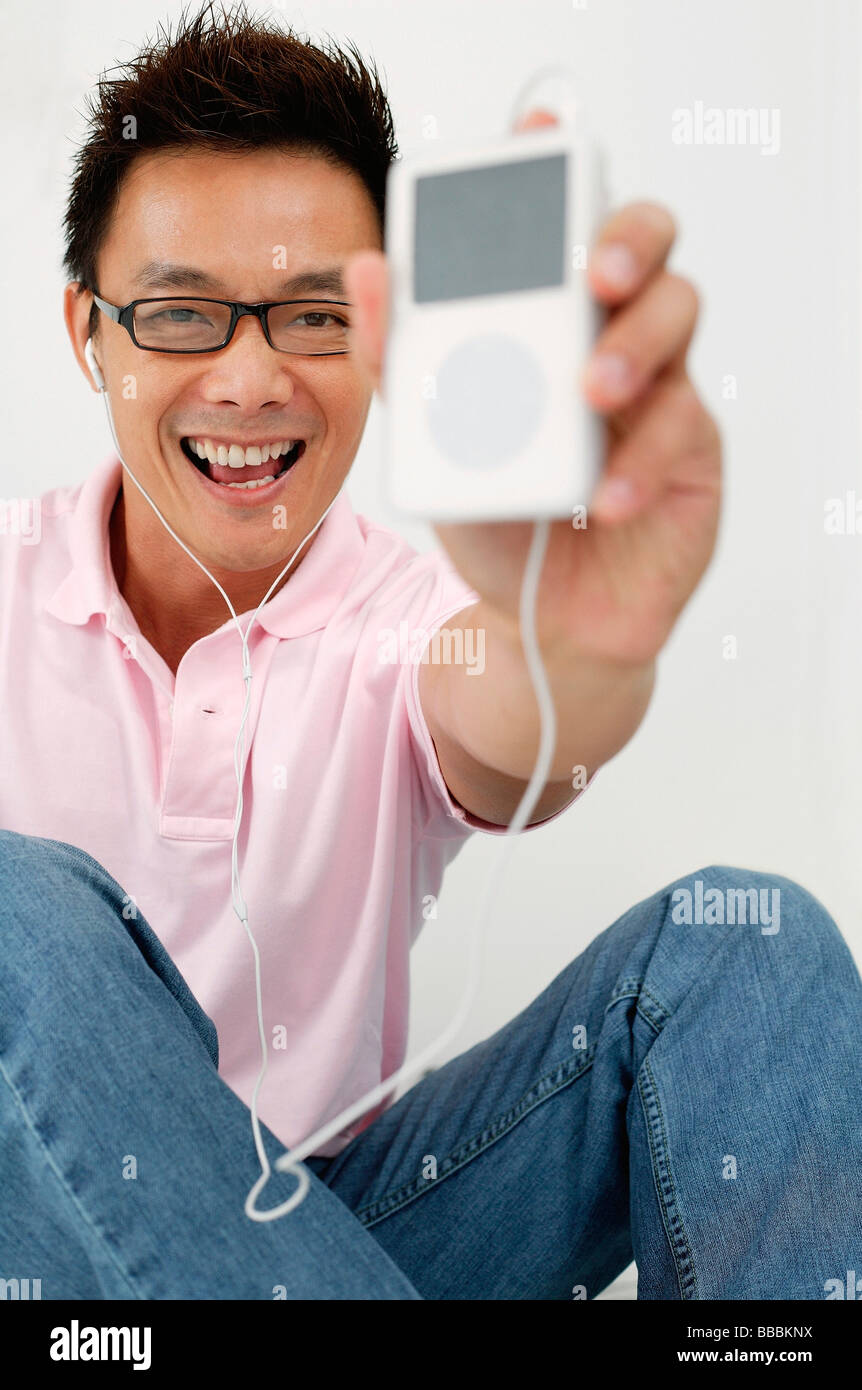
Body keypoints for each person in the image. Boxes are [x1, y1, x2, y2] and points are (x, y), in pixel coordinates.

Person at [1, 3, 859, 1300]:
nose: (249, 379)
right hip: (57, 1266)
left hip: (367, 1224)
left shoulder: (396, 617)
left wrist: (572, 639)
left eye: (310, 317)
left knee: (748, 940)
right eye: (183, 315)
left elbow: (507, 707)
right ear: (89, 333)